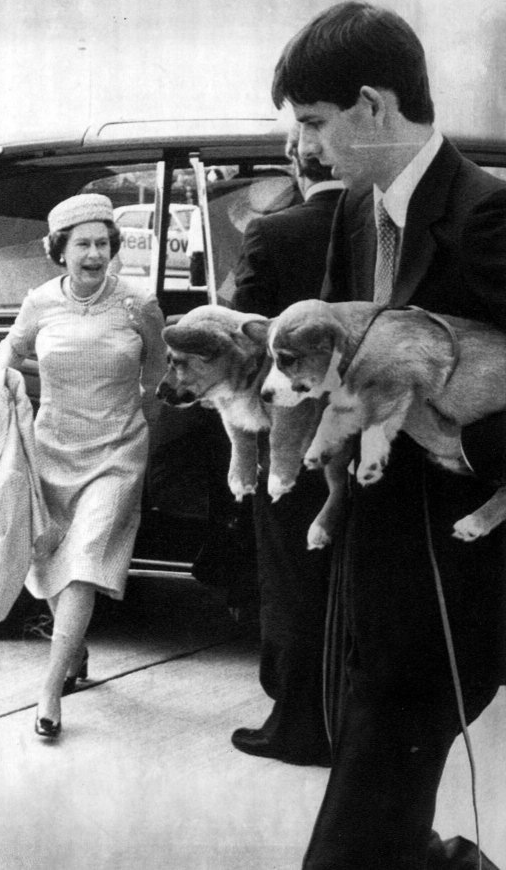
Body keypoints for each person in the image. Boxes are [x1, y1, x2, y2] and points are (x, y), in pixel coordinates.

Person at [272, 0, 506, 869]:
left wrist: (469, 451)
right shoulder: (352, 213)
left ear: (373, 104)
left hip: (455, 596)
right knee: (389, 839)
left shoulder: (487, 216)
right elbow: (343, 371)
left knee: (347, 851)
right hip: (368, 585)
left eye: (316, 123)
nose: (309, 149)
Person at [0, 193, 166, 740]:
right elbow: (9, 348)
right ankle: (74, 647)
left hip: (117, 450)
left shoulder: (139, 303)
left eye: (103, 243)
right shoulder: (39, 301)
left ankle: (50, 689)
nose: (94, 254)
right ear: (59, 250)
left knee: (84, 560)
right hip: (53, 447)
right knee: (50, 556)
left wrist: (140, 428)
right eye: (82, 243)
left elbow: (156, 375)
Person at [231, 129, 343, 765]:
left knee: (292, 578)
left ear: (295, 165)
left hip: (292, 439)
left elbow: (249, 340)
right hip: (370, 430)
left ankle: (297, 723)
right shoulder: (376, 223)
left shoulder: (273, 233)